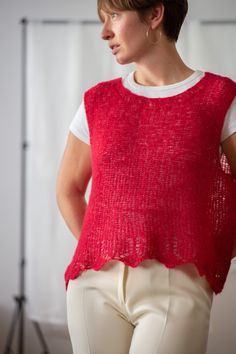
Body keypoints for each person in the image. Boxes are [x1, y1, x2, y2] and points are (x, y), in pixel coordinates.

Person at [56, 1, 236, 353]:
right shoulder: (98, 101)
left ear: (155, 15)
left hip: (177, 286)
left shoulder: (218, 98)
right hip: (94, 286)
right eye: (103, 20)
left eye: (115, 17)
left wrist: (214, 252)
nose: (104, 32)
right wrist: (100, 245)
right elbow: (68, 189)